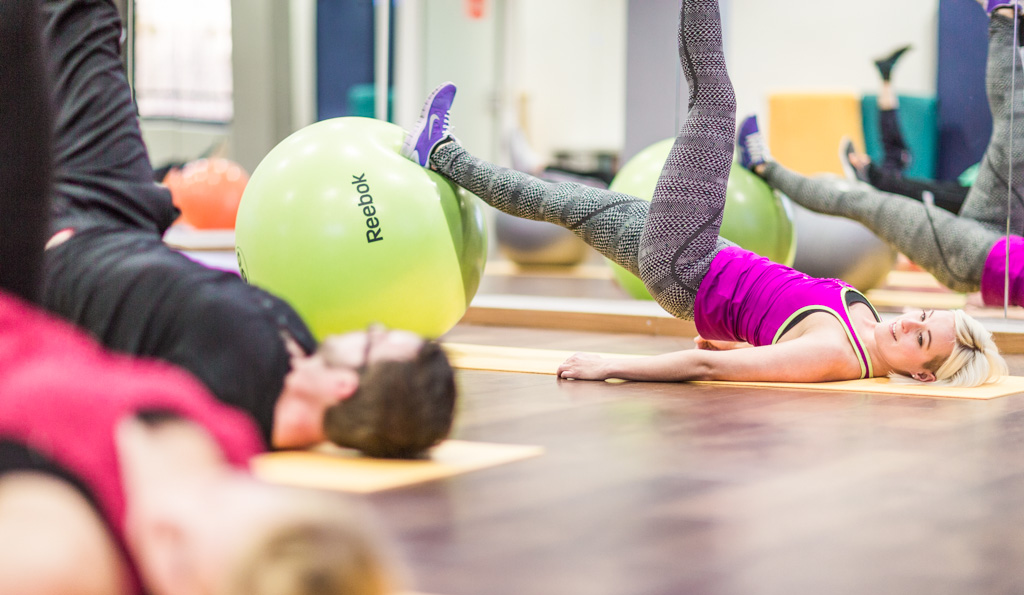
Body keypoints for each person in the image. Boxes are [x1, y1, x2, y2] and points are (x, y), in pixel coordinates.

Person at [0, 0, 390, 595]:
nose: (177, 512)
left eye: (179, 561)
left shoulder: (68, 564)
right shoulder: (223, 440)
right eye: (223, 497)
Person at [401, 0, 1006, 387]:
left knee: (714, 104)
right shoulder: (869, 326)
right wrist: (724, 326)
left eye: (921, 339)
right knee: (564, 201)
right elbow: (758, 319)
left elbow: (712, 367)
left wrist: (612, 366)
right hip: (695, 259)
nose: (909, 325)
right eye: (922, 318)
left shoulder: (836, 355)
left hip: (686, 262)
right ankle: (440, 153)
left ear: (922, 376)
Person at [37, 0, 455, 459]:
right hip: (125, 214)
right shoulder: (299, 345)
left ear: (343, 384)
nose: (371, 326)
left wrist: (51, 248)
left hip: (62, 239)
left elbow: (90, 386)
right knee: (84, 21)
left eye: (374, 340)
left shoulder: (228, 407)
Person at [749, 0, 1024, 315]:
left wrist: (991, 289)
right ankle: (1003, 16)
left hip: (973, 255)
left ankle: (764, 166)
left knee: (865, 202)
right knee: (1015, 128)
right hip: (1004, 234)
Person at [838, 45, 972, 214]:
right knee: (899, 156)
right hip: (969, 190)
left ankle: (871, 175)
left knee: (918, 188)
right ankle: (886, 77)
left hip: (967, 199)